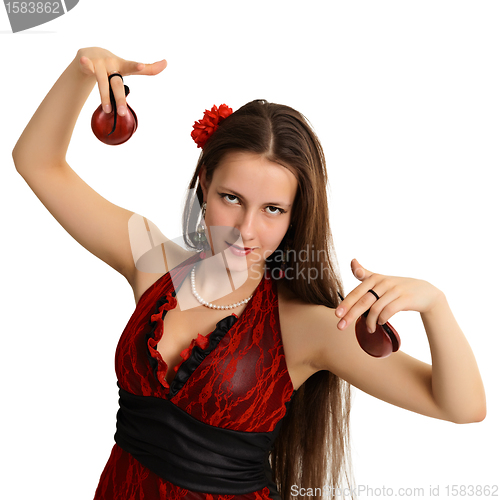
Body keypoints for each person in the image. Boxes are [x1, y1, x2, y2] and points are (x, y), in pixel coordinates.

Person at [12, 47, 486, 500]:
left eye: (273, 209)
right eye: (231, 198)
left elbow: (462, 407)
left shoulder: (304, 326)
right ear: (204, 183)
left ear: (296, 215)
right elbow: (37, 162)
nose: (245, 230)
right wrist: (82, 69)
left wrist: (434, 304)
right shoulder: (152, 260)